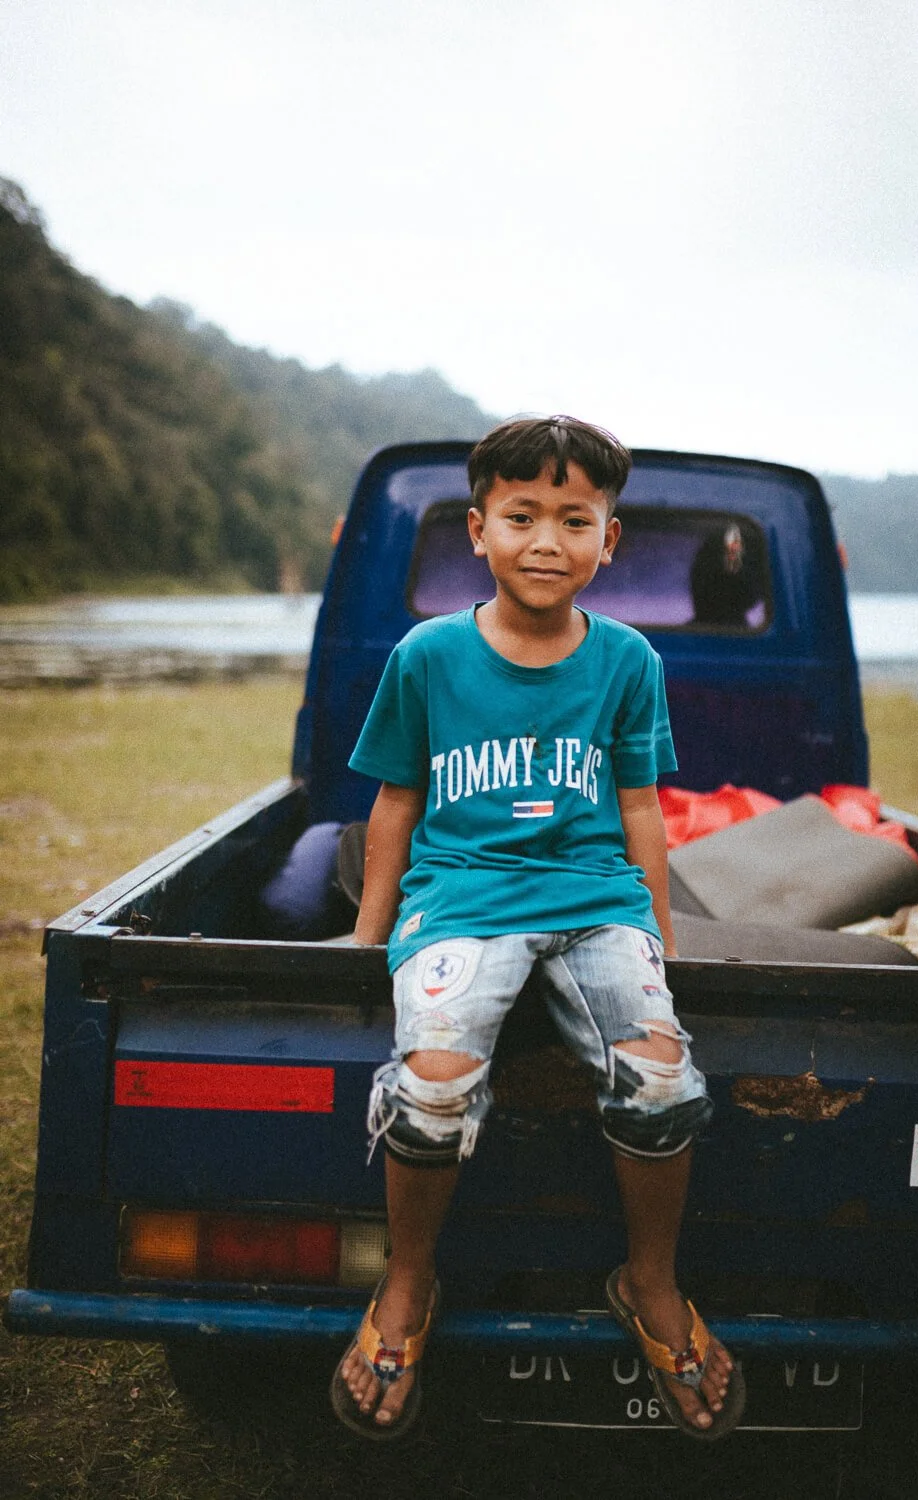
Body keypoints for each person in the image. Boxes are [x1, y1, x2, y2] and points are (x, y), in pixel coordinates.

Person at [330, 415, 744, 1442]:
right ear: (479, 531)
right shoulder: (427, 656)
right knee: (429, 1094)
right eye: (521, 516)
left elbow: (643, 804)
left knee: (659, 1083)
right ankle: (408, 1283)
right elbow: (394, 802)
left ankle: (648, 1279)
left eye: (574, 519)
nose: (547, 540)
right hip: (460, 901)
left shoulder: (627, 660)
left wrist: (657, 925)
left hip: (594, 903)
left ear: (609, 540)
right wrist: (364, 937)